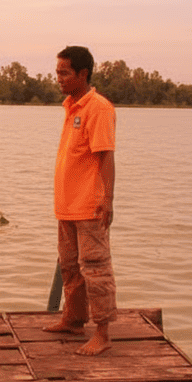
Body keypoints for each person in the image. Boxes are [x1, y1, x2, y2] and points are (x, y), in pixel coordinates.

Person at [44, 45, 117, 355]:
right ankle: (73, 319)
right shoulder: (71, 106)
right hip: (67, 205)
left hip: (89, 205)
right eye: (57, 72)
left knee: (96, 269)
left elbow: (105, 156)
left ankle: (103, 333)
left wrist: (107, 199)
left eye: (64, 73)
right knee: (70, 267)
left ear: (82, 74)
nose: (58, 78)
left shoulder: (98, 107)